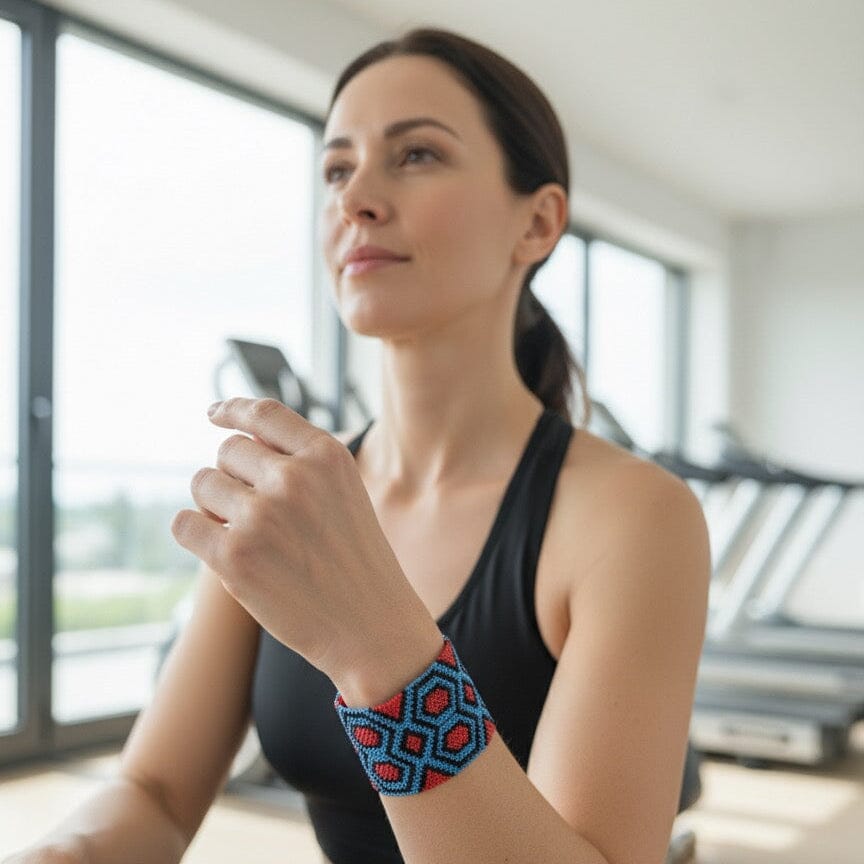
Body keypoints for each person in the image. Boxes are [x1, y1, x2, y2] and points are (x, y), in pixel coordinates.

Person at [4, 27, 710, 864]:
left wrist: (381, 652)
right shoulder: (290, 494)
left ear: (537, 222)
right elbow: (154, 791)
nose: (357, 199)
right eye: (337, 170)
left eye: (416, 155)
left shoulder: (636, 516)